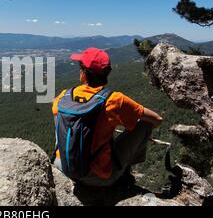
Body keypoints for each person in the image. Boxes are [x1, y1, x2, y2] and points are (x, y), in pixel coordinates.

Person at [52, 47, 163, 187]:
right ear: (107, 73)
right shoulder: (114, 100)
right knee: (145, 124)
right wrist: (142, 134)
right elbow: (157, 119)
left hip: (62, 166)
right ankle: (126, 171)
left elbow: (54, 107)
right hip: (97, 177)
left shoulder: (64, 95)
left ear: (83, 74)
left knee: (60, 116)